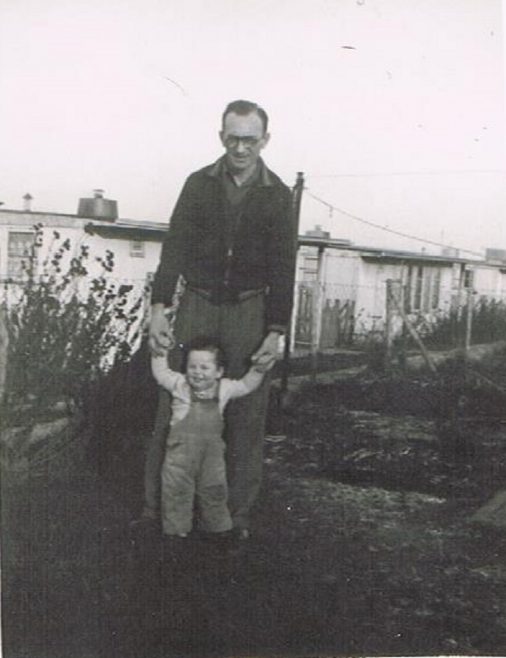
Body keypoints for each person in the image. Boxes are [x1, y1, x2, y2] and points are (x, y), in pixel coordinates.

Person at [144, 99, 296, 540]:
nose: (241, 149)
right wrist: (158, 309)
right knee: (172, 407)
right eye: (233, 138)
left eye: (251, 140)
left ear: (265, 141)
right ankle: (155, 511)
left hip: (249, 310)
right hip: (196, 303)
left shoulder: (277, 194)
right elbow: (173, 247)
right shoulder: (198, 184)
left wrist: (275, 331)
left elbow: (285, 265)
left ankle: (234, 520)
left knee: (247, 414)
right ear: (221, 137)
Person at [151, 336, 274, 541]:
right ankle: (176, 532)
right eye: (192, 367)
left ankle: (217, 530)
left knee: (214, 490)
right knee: (176, 490)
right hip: (180, 454)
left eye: (204, 368)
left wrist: (258, 370)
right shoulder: (180, 384)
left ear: (219, 372)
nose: (197, 372)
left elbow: (246, 386)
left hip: (212, 455)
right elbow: (161, 373)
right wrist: (159, 352)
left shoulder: (224, 388)